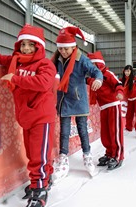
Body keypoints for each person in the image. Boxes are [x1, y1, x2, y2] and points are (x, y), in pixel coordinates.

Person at [0, 24, 56, 207]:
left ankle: (39, 191)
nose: (26, 49)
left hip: (42, 117)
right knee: (33, 154)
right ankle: (44, 179)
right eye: (23, 45)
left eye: (31, 45)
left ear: (39, 47)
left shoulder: (45, 64)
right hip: (26, 117)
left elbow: (44, 82)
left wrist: (15, 79)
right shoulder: (16, 62)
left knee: (38, 156)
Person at [51, 26, 103, 178]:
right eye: (61, 49)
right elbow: (47, 70)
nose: (63, 52)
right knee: (65, 132)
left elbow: (96, 71)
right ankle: (63, 158)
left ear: (73, 46)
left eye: (66, 49)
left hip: (79, 101)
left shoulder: (82, 60)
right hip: (64, 100)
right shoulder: (57, 59)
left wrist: (98, 80)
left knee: (82, 130)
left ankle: (87, 157)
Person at [87, 51, 124, 170]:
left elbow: (117, 83)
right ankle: (109, 153)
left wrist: (119, 92)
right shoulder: (92, 78)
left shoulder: (106, 73)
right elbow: (83, 79)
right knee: (105, 134)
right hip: (103, 108)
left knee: (115, 132)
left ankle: (118, 156)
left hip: (113, 105)